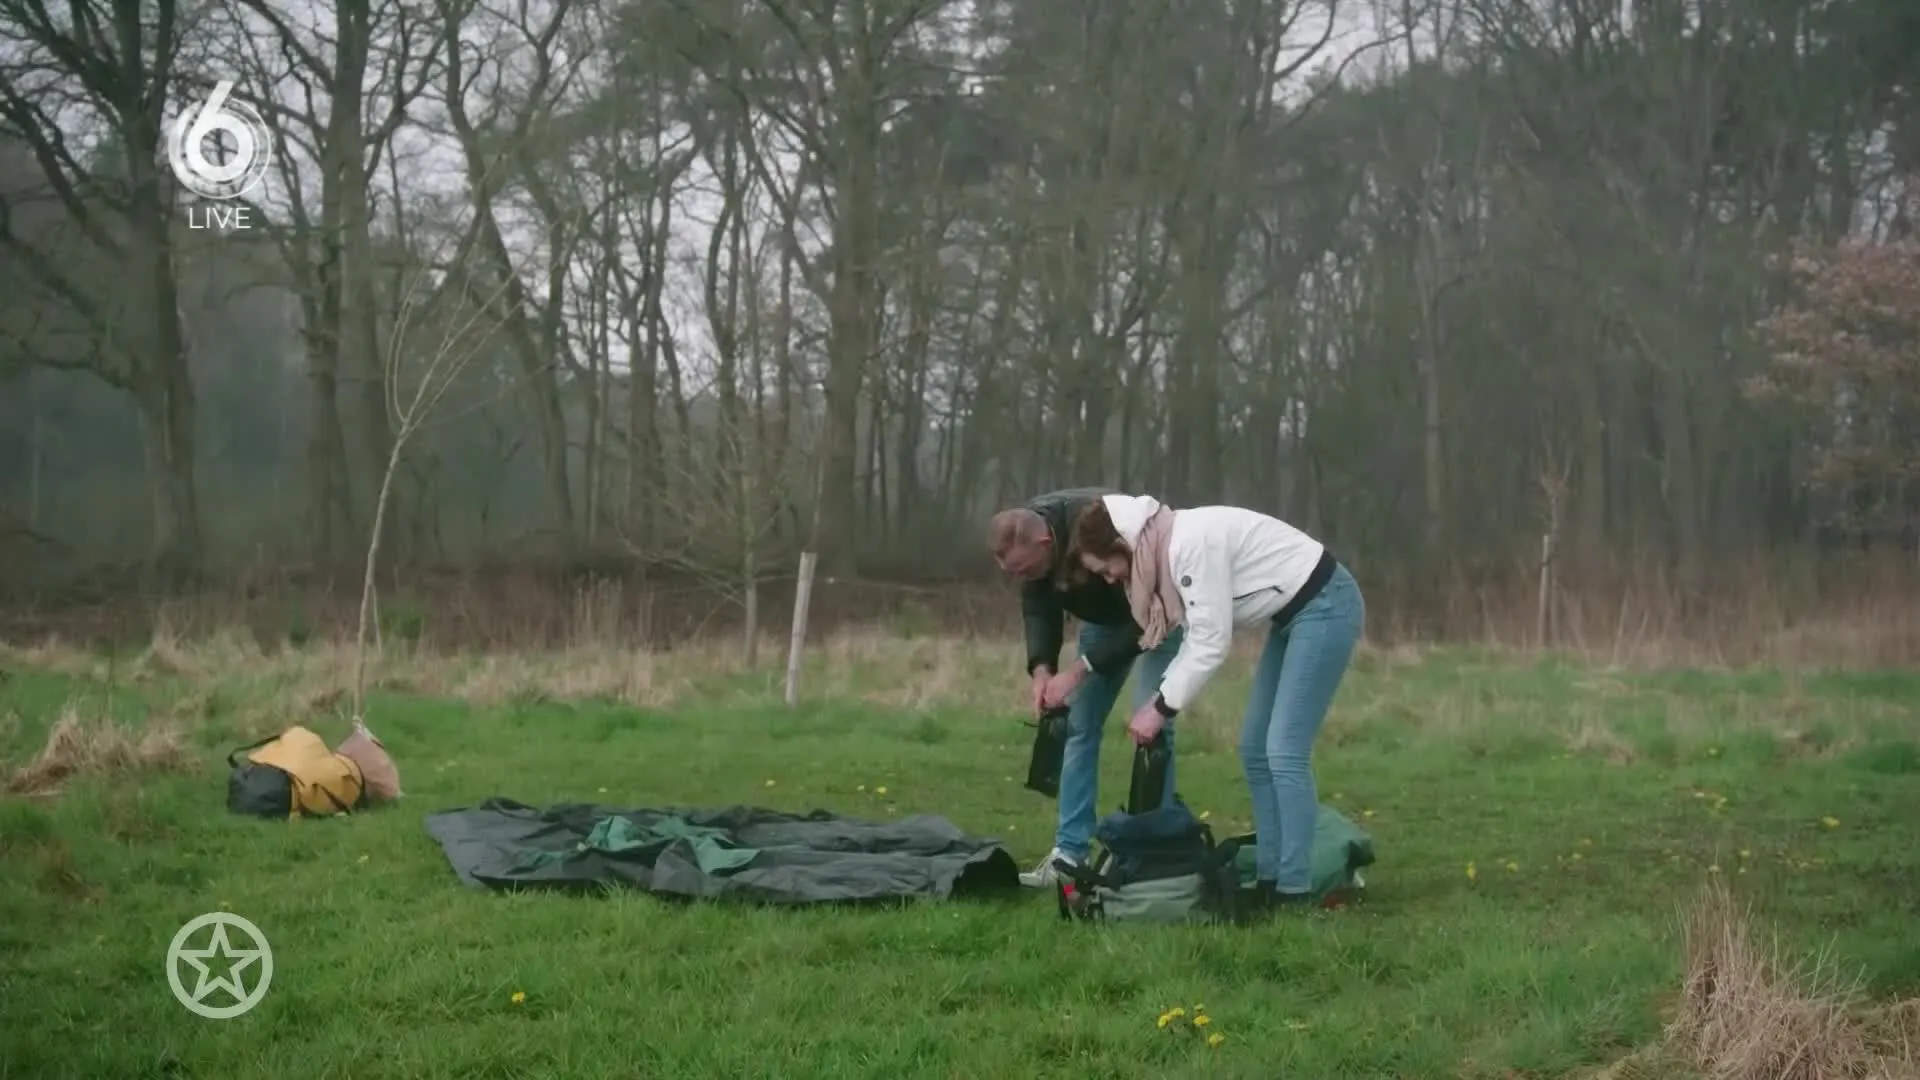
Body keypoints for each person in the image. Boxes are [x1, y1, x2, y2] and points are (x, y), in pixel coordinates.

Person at [1069, 493, 1364, 913]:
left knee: (1284, 752)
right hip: (1293, 617)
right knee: (1254, 750)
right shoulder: (1165, 552)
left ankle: (1294, 892)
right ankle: (1269, 878)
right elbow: (1193, 638)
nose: (1111, 579)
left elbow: (1210, 641)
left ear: (1123, 545)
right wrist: (1158, 699)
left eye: (1107, 569)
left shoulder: (1186, 546)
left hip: (1327, 606)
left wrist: (1160, 708)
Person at [987, 488, 1186, 888]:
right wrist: (1042, 670)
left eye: (1024, 570)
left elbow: (1146, 619)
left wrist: (1080, 668)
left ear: (1045, 542)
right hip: (1104, 620)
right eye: (1014, 574)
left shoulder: (1096, 526)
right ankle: (1069, 855)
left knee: (1153, 728)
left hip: (1157, 612)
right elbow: (1038, 603)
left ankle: (1157, 857)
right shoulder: (1033, 543)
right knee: (1079, 724)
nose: (1021, 579)